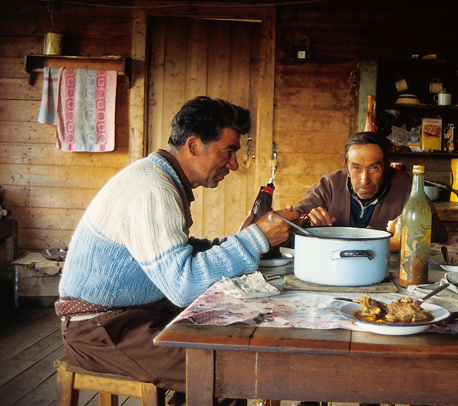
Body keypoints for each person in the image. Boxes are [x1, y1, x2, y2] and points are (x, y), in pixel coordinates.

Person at [57, 96, 299, 406]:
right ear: (195, 145)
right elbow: (183, 284)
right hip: (99, 328)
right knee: (226, 371)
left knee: (233, 331)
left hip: (137, 313)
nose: (234, 164)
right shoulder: (152, 188)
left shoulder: (160, 178)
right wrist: (255, 239)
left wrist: (248, 239)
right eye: (228, 152)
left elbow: (182, 255)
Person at [294, 131, 447, 242]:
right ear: (346, 169)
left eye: (374, 168)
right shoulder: (329, 185)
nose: (365, 179)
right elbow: (291, 221)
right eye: (356, 168)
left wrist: (413, 225)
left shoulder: (407, 186)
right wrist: (307, 221)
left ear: (386, 168)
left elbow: (440, 233)